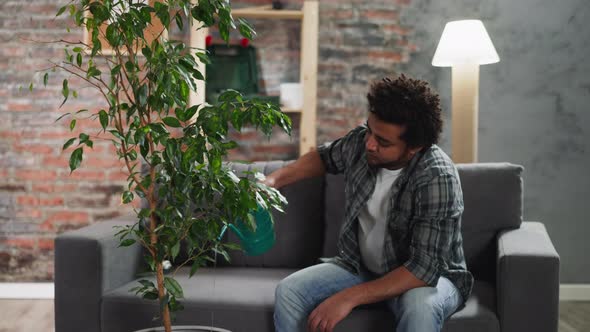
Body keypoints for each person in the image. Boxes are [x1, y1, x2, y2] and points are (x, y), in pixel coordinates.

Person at [265, 74, 473, 332]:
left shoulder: (436, 177)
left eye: (383, 142)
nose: (370, 144)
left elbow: (423, 269)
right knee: (289, 291)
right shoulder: (362, 142)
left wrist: (348, 297)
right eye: (370, 130)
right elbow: (324, 157)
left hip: (426, 278)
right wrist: (273, 180)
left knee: (420, 307)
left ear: (414, 148)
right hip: (361, 267)